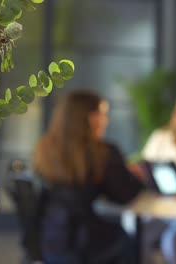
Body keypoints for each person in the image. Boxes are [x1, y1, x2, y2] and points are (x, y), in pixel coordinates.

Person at [33, 91, 144, 264]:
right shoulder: (102, 152)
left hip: (50, 237)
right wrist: (137, 176)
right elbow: (124, 196)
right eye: (102, 114)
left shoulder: (45, 148)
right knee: (127, 240)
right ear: (90, 118)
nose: (105, 120)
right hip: (85, 245)